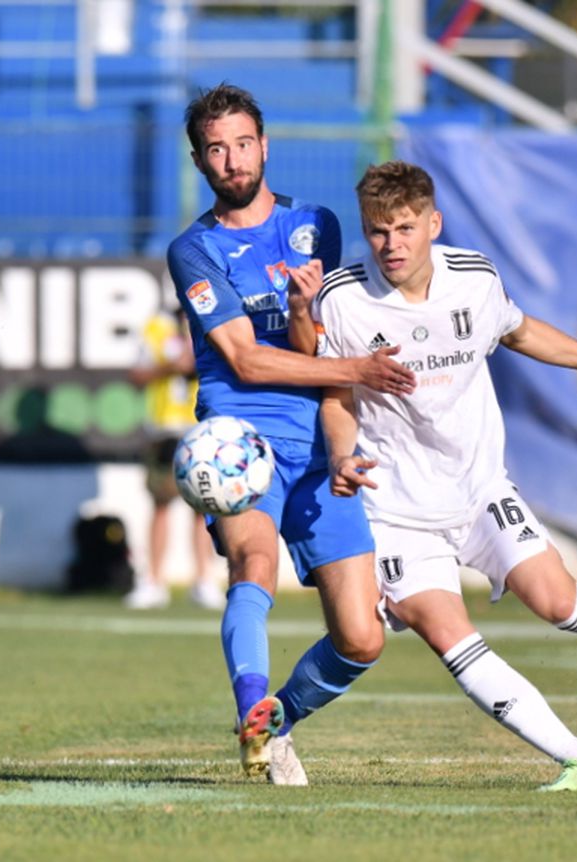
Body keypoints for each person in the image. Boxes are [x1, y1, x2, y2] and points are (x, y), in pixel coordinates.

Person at [308, 161, 577, 792]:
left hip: (481, 487)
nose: (392, 245)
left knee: (557, 600)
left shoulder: (474, 279)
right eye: (378, 231)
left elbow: (519, 332)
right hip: (399, 510)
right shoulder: (344, 300)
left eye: (405, 228)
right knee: (446, 631)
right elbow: (335, 395)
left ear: (433, 224)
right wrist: (342, 455)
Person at [166, 84, 417, 785]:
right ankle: (250, 710)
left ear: (265, 146)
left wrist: (311, 316)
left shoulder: (317, 225)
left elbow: (313, 343)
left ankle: (278, 722)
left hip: (320, 439)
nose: (232, 158)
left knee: (362, 638)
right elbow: (244, 358)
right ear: (199, 160)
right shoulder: (194, 250)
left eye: (243, 143)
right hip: (240, 441)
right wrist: (355, 366)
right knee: (253, 567)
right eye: (216, 148)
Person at [124, 306, 227, 611]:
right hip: (164, 429)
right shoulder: (157, 325)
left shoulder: (215, 318)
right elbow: (137, 375)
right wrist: (171, 367)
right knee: (160, 504)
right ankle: (153, 581)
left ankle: (205, 581)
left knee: (205, 506)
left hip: (203, 427)